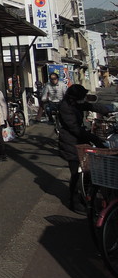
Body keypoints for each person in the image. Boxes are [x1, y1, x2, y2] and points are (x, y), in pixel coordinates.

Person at [58, 84, 103, 213]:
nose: (82, 100)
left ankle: (84, 197)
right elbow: (74, 128)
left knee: (85, 172)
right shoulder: (65, 107)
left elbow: (88, 105)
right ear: (74, 97)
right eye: (81, 97)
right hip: (70, 143)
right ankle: (74, 201)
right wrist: (94, 138)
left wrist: (106, 108)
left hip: (79, 142)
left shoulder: (73, 104)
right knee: (76, 174)